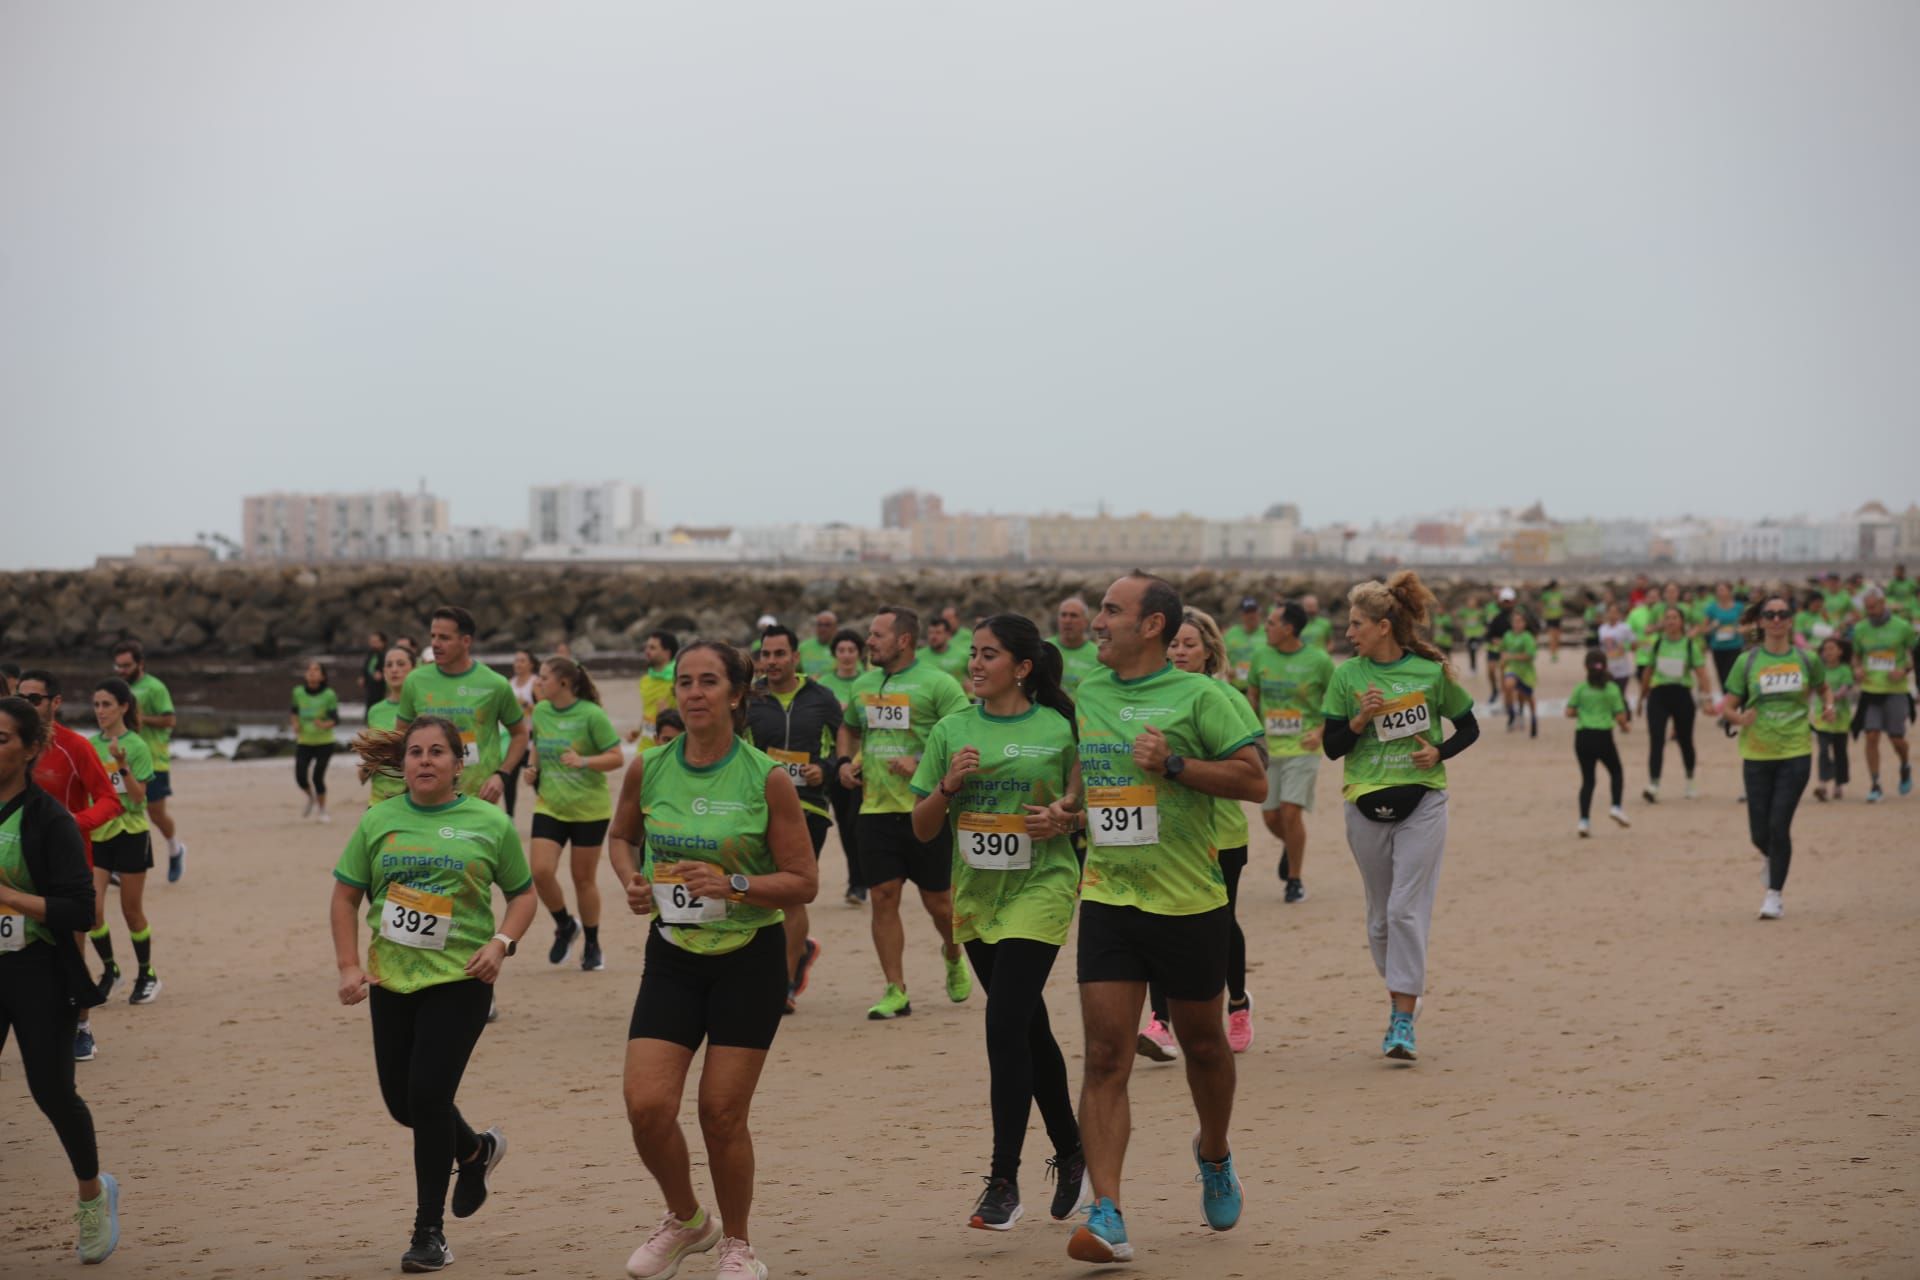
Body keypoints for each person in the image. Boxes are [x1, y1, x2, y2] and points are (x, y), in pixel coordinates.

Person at [1057, 573, 1266, 1263]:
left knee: (1204, 1048)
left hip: (1189, 902)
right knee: (1106, 1056)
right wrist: (1070, 809)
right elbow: (1095, 779)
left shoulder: (1202, 694)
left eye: (1112, 611)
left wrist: (1174, 763)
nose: (1098, 621)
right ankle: (1108, 1210)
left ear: (1151, 625)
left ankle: (1213, 1152)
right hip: (1111, 897)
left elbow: (1254, 779)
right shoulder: (1089, 691)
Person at [606, 641, 817, 1280]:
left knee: (721, 1114)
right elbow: (621, 838)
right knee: (646, 1106)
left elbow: (803, 881)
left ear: (734, 695)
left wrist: (735, 885)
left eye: (707, 682)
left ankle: (739, 1245)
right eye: (684, 682)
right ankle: (688, 1220)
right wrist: (632, 882)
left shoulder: (766, 778)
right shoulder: (649, 767)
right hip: (673, 952)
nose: (693, 693)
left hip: (748, 958)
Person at [333, 715, 536, 1272]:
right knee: (405, 1105)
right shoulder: (379, 819)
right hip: (390, 979)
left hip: (461, 979)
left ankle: (429, 1232)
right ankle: (475, 1151)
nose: (425, 760)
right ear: (403, 764)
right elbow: (346, 897)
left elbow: (522, 896)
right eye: (415, 752)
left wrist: (500, 944)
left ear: (457, 763)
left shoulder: (487, 822)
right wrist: (350, 965)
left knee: (426, 1098)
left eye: (437, 752)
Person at [909, 613, 1087, 1231]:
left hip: (1043, 885)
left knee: (1005, 1019)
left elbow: (1084, 811)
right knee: (1028, 1028)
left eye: (989, 655)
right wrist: (949, 787)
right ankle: (1071, 1147)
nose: (976, 664)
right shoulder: (951, 729)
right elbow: (923, 827)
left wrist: (1062, 820)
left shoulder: (1061, 729)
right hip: (979, 894)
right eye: (973, 654)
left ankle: (1003, 1180)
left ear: (1023, 667)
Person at [1322, 571, 1479, 1064]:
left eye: (1356, 624)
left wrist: (1440, 752)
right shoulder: (1347, 677)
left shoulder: (1429, 674)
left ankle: (1402, 1020)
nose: (1349, 634)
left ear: (1383, 626)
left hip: (1424, 802)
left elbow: (1469, 727)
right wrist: (1359, 720)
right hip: (1364, 802)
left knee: (1403, 909)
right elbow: (1331, 748)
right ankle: (1402, 996)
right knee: (1378, 920)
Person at [0, 695, 120, 1264]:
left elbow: (81, 911)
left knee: (52, 1092)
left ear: (29, 748)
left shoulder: (49, 819)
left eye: (1, 738)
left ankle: (93, 1195)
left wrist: (10, 899)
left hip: (39, 972)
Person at [834, 606, 974, 1019]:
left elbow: (966, 733)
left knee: (940, 905)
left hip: (924, 809)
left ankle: (952, 953)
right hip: (875, 810)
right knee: (883, 897)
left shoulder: (939, 684)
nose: (869, 642)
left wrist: (925, 764)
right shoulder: (863, 684)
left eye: (877, 635)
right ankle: (896, 988)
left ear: (904, 640)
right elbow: (849, 727)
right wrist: (843, 763)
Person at [1137, 608, 1262, 1057]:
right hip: (1163, 830)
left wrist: (1191, 762)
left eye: (1190, 644)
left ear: (1209, 651)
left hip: (1222, 833)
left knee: (1218, 926)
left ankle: (1238, 1004)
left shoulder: (1224, 697)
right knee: (1154, 921)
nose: (1180, 652)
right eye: (1173, 644)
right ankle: (1160, 1022)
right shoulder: (1153, 697)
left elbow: (1257, 765)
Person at [17, 671, 123, 1063]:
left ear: (55, 702)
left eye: (35, 699)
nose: (27, 706)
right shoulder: (11, 745)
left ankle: (81, 1026)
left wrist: (72, 824)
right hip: (16, 861)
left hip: (68, 862)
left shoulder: (75, 747)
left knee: (70, 946)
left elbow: (110, 800)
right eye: (20, 697)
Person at [744, 625, 843, 1013]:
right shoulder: (750, 699)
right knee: (758, 892)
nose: (771, 662)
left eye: (779, 654)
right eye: (766, 655)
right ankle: (796, 952)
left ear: (795, 657)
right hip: (757, 809)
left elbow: (847, 742)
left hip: (809, 808)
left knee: (790, 891)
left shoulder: (821, 698)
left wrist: (827, 768)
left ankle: (783, 983)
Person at [1723, 595, 1831, 919]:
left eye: (1783, 614)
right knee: (1759, 832)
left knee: (1778, 824)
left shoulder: (1807, 658)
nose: (1776, 620)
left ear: (1791, 620)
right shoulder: (1748, 661)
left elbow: (1824, 686)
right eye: (1769, 615)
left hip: (1795, 751)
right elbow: (1727, 706)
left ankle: (1774, 895)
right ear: (1760, 621)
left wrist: (1828, 704)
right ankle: (1773, 857)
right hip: (1756, 752)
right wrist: (1739, 718)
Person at [524, 656, 624, 972]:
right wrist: (532, 767)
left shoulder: (591, 715)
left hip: (589, 810)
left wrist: (584, 762)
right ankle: (565, 924)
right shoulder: (540, 711)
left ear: (563, 683)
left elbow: (617, 757)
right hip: (550, 805)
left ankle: (592, 943)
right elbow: (538, 743)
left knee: (583, 879)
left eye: (543, 678)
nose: (538, 683)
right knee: (540, 871)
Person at [394, 605, 529, 807]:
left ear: (466, 641)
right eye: (433, 636)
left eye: (444, 638)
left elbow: (520, 735)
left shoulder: (494, 684)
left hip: (477, 797)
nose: (435, 644)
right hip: (426, 796)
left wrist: (502, 775)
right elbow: (400, 735)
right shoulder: (415, 680)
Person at [1247, 602, 1334, 907]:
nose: (1265, 628)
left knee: (1290, 811)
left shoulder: (1319, 660)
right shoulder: (1261, 655)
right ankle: (1291, 844)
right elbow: (1253, 694)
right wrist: (1252, 731)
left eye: (1271, 623)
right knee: (1270, 815)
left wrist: (1320, 731)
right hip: (1269, 747)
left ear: (1288, 629)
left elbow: (1336, 700)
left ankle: (1294, 881)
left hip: (1303, 747)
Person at [87, 679, 161, 1006]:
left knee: (131, 912)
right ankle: (109, 969)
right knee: (91, 910)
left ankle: (147, 973)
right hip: (98, 834)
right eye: (96, 705)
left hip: (131, 833)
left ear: (123, 707)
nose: (100, 711)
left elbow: (138, 797)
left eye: (106, 705)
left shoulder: (138, 746)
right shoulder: (90, 745)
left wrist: (121, 764)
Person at [110, 640, 184, 882]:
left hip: (154, 761)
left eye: (126, 665)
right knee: (118, 810)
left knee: (156, 814)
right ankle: (119, 867)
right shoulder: (118, 690)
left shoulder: (155, 688)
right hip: (123, 761)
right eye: (118, 666)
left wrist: (139, 717)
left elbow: (170, 720)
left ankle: (175, 849)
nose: (122, 670)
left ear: (140, 664)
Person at [815, 629, 868, 907]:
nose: (846, 655)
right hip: (837, 763)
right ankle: (856, 881)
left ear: (859, 654)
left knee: (861, 823)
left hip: (868, 763)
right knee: (846, 825)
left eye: (851, 650)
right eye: (841, 651)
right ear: (835, 654)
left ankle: (866, 879)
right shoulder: (823, 685)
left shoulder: (869, 682)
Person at [1637, 606, 1712, 803]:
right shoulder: (1657, 643)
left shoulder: (1689, 645)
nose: (1670, 621)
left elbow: (1702, 674)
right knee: (1656, 739)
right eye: (1667, 618)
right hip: (1659, 694)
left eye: (1674, 618)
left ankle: (1690, 781)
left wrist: (1707, 698)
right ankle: (1653, 784)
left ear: (1681, 622)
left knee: (1685, 739)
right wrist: (1641, 697)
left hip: (1682, 695)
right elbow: (1648, 671)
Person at [1850, 587, 1915, 801]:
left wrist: (1903, 670)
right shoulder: (1860, 629)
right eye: (1867, 608)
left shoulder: (1902, 627)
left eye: (1873, 607)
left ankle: (1905, 764)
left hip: (1895, 690)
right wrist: (1857, 670)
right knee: (1871, 736)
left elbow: (1911, 657)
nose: (1870, 611)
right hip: (1870, 690)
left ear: (1883, 603)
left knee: (1897, 740)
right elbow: (1856, 657)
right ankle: (1875, 784)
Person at [1564, 650, 1631, 836]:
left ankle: (1584, 821)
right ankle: (1616, 806)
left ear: (1585, 667)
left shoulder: (1581, 688)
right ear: (1605, 666)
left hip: (1583, 737)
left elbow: (1569, 712)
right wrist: (1625, 727)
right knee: (1616, 771)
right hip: (1603, 736)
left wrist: (1585, 714)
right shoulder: (1611, 689)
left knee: (1588, 780)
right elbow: (1620, 716)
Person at [361, 645, 416, 805]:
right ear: (384, 671)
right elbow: (367, 768)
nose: (394, 670)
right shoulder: (375, 711)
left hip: (412, 802)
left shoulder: (422, 708)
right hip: (378, 801)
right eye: (389, 665)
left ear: (414, 669)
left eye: (400, 664)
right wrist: (366, 764)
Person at [291, 659, 341, 823]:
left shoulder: (329, 695)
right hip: (304, 741)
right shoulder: (298, 692)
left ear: (322, 676)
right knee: (300, 777)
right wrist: (295, 724)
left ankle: (322, 810)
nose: (312, 673)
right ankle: (311, 797)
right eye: (309, 670)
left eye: (316, 670)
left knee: (318, 777)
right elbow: (294, 711)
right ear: (305, 675)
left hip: (324, 742)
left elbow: (335, 719)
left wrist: (325, 724)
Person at [1811, 636, 1854, 802]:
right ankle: (1822, 784)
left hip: (1840, 719)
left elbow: (1845, 688)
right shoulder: (1819, 669)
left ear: (1840, 652)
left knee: (1840, 752)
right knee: (1823, 751)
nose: (1827, 652)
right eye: (1825, 649)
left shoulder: (1844, 669)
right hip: (1822, 719)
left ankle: (1838, 785)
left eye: (1831, 648)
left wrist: (1832, 697)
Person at [502, 649, 541, 817]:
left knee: (536, 779)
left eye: (522, 661)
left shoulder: (536, 683)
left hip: (533, 741)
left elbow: (544, 711)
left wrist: (526, 705)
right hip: (514, 740)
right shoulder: (509, 684)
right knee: (509, 780)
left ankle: (547, 809)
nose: (518, 664)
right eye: (516, 660)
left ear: (531, 664)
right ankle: (509, 816)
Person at [630, 631, 680, 748]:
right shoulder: (645, 680)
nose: (647, 651)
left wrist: (669, 713)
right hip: (644, 746)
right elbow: (648, 712)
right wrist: (638, 730)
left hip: (668, 748)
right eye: (646, 647)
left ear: (667, 652)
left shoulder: (678, 680)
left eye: (652, 648)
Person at [1499, 608, 1540, 737]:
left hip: (1526, 672)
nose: (1517, 624)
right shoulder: (1507, 635)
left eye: (1520, 621)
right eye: (1515, 621)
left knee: (1528, 697)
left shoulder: (1527, 637)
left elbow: (1530, 655)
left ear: (1525, 623)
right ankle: (1511, 713)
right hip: (1512, 669)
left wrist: (1511, 656)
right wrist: (1503, 662)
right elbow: (1503, 651)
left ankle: (1533, 719)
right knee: (1508, 685)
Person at [1049, 596, 1101, 694]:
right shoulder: (1046, 648)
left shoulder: (1098, 655)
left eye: (1073, 616)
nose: (1067, 621)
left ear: (1085, 622)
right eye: (1063, 615)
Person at [1703, 583, 1746, 693]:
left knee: (1733, 673)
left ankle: (1736, 697)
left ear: (1730, 591)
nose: (1720, 593)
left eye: (1722, 590)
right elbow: (1704, 629)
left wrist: (1739, 630)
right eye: (1718, 590)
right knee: (1722, 676)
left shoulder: (1739, 607)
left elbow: (1747, 625)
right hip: (1718, 647)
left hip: (1734, 646)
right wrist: (1712, 626)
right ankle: (1726, 700)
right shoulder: (1711, 608)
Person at [1221, 596, 1264, 690]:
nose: (1251, 615)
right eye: (1247, 612)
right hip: (1236, 688)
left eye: (1254, 611)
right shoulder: (1231, 633)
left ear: (1259, 612)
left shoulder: (1268, 632)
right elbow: (1221, 657)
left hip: (1260, 688)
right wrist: (1227, 670)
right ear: (1241, 614)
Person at [1596, 601, 1637, 700]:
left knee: (1620, 696)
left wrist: (1624, 647)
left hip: (1622, 669)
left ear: (1619, 614)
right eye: (1610, 612)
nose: (1612, 615)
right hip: (1607, 669)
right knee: (1607, 697)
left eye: (1615, 612)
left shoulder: (1625, 628)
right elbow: (1601, 649)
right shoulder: (1602, 629)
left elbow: (1634, 644)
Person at [924, 614, 971, 686]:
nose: (933, 637)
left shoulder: (963, 655)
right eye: (930, 633)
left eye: (938, 633)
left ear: (948, 635)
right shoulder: (918, 656)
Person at [797, 611, 838, 679]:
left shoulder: (843, 648)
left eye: (827, 625)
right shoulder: (803, 647)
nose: (823, 628)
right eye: (820, 624)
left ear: (835, 627)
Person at [362, 630, 389, 716]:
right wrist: (363, 677)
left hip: (381, 689)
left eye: (376, 642)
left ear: (383, 642)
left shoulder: (386, 655)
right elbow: (367, 668)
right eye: (372, 642)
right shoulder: (370, 654)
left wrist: (382, 674)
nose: (373, 644)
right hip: (370, 687)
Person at [1458, 595, 1487, 674]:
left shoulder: (1479, 612)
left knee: (1473, 648)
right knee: (1471, 652)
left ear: (1476, 603)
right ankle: (1473, 668)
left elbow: (1485, 621)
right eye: (1469, 601)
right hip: (1468, 635)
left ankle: (1478, 645)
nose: (1471, 603)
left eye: (1472, 601)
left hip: (1477, 634)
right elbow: (1458, 616)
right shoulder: (1465, 612)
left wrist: (1483, 629)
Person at [1540, 580, 1565, 662]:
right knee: (1552, 636)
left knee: (1557, 637)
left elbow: (1561, 604)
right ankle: (1552, 654)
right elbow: (1542, 605)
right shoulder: (1546, 595)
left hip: (1558, 617)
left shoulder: (1559, 594)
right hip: (1550, 618)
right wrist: (1544, 613)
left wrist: (1562, 612)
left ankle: (1556, 653)